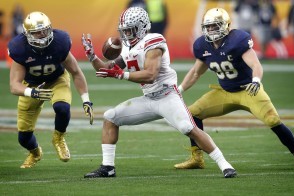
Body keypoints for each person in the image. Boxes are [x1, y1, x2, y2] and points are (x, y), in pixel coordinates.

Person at [81, 7, 236, 178]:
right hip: (148, 99)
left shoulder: (154, 41)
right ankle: (107, 167)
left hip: (167, 96)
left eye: (130, 30)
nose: (126, 34)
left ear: (141, 27)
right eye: (124, 30)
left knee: (188, 128)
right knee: (110, 117)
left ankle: (225, 165)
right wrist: (92, 56)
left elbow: (150, 75)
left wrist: (120, 74)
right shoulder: (127, 47)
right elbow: (106, 70)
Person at [173, 8, 294, 169]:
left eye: (215, 26)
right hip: (225, 92)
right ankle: (197, 158)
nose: (210, 30)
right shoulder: (203, 45)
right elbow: (195, 72)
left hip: (249, 90)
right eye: (208, 26)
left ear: (225, 26)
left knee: (273, 120)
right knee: (193, 113)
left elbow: (255, 64)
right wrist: (179, 90)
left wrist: (256, 81)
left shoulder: (237, 40)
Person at [8, 11, 94, 168]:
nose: (42, 35)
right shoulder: (19, 48)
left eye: (44, 30)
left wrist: (86, 99)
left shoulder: (59, 43)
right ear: (28, 34)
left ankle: (58, 138)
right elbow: (14, 85)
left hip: (56, 80)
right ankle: (35, 153)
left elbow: (76, 72)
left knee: (62, 107)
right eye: (36, 32)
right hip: (31, 86)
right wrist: (32, 92)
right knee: (24, 138)